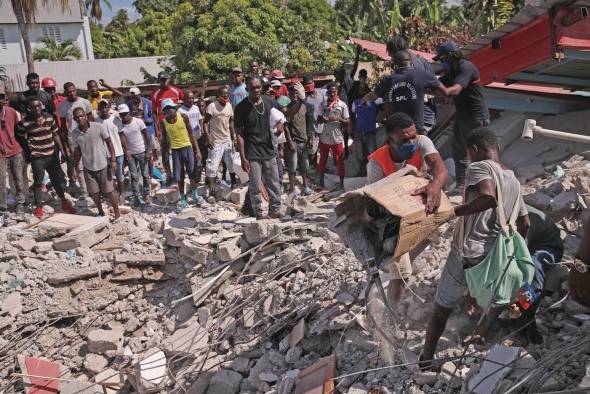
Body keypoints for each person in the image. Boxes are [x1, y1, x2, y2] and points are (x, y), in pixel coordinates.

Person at [420, 128, 527, 370]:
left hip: (468, 251)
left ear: (474, 150)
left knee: (440, 309)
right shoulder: (513, 179)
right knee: (485, 295)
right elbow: (524, 223)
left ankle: (425, 360)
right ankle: (480, 330)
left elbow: (488, 197)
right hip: (495, 254)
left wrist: (451, 213)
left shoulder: (478, 167)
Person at [367, 112, 448, 304]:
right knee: (402, 272)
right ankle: (391, 312)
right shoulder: (376, 164)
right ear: (390, 140)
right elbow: (376, 202)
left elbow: (440, 168)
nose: (412, 141)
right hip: (392, 217)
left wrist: (434, 186)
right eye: (405, 139)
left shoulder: (421, 142)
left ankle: (402, 261)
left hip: (416, 207)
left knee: (434, 232)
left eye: (413, 135)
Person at [434, 41, 490, 189]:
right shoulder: (453, 71)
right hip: (462, 115)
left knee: (478, 152)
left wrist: (441, 89)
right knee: (459, 150)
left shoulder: (466, 67)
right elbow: (437, 85)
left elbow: (455, 90)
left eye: (443, 59)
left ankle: (485, 185)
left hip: (475, 116)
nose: (442, 63)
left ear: (451, 56)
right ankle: (461, 185)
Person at [510, 204, 564, 344]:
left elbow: (518, 254)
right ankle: (516, 312)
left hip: (548, 246)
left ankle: (527, 320)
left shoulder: (521, 219)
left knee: (532, 269)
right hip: (529, 244)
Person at [15, 97, 76, 218]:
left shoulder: (49, 117)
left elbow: (55, 135)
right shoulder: (25, 122)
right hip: (37, 157)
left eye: (38, 106)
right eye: (33, 107)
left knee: (56, 180)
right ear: (29, 108)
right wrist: (28, 150)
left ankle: (64, 202)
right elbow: (20, 136)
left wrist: (63, 152)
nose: (37, 109)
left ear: (41, 106)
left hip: (52, 155)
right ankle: (38, 207)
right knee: (38, 182)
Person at [234, 77, 282, 219]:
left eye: (258, 87)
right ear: (247, 89)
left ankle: (275, 211)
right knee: (255, 185)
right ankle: (259, 214)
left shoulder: (268, 101)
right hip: (252, 152)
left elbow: (282, 115)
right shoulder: (241, 108)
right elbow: (239, 135)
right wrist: (243, 158)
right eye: (253, 88)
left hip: (268, 149)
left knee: (274, 183)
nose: (256, 90)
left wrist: (281, 125)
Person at [372, 50, 448, 133]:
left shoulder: (387, 80)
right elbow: (444, 92)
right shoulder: (422, 74)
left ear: (395, 64)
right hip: (416, 130)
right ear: (411, 61)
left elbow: (374, 96)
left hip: (396, 132)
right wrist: (424, 92)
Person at [71, 108, 121, 219]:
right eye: (77, 117)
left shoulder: (98, 127)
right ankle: (100, 212)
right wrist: (74, 167)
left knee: (110, 191)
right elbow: (77, 152)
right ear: (74, 119)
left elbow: (109, 143)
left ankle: (117, 213)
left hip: (103, 164)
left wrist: (113, 160)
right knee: (94, 193)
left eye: (81, 116)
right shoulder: (74, 134)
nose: (79, 118)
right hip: (88, 167)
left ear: (85, 116)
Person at [159, 99, 204, 210]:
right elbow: (164, 140)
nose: (169, 110)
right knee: (179, 177)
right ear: (164, 111)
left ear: (175, 108)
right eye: (166, 109)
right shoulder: (163, 122)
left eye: (171, 107)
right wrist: (164, 154)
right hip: (175, 151)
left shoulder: (183, 117)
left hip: (187, 148)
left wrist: (197, 150)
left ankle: (195, 194)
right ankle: (183, 198)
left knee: (192, 173)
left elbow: (191, 134)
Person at [386, 36, 438, 132]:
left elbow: (431, 90)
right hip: (416, 119)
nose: (393, 60)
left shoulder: (413, 66)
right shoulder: (419, 61)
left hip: (420, 119)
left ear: (398, 52)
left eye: (392, 56)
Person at [58, 82, 93, 196]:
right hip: (73, 138)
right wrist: (66, 145)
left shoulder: (85, 102)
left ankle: (95, 189)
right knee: (79, 166)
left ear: (76, 90)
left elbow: (91, 120)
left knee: (91, 162)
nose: (72, 93)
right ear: (65, 93)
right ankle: (84, 191)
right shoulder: (63, 106)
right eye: (69, 92)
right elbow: (63, 126)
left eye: (73, 90)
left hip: (87, 136)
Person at [204, 87, 236, 201]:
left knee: (231, 163)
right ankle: (211, 192)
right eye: (224, 95)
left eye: (227, 95)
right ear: (218, 96)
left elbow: (231, 120)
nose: (226, 97)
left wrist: (233, 134)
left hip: (227, 139)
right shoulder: (212, 107)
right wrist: (208, 139)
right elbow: (205, 123)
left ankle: (234, 185)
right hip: (216, 141)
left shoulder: (229, 105)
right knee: (213, 166)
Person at [118, 104, 150, 207]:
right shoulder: (120, 125)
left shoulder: (138, 122)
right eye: (122, 115)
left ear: (129, 112)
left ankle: (147, 194)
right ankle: (137, 197)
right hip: (131, 154)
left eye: (125, 114)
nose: (124, 116)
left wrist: (148, 150)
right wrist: (127, 152)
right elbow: (122, 139)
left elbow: (146, 134)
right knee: (134, 176)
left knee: (145, 175)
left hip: (142, 151)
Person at [317, 83, 349, 190]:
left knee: (339, 160)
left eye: (334, 91)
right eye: (330, 92)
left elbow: (347, 120)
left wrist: (339, 119)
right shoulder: (322, 104)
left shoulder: (342, 105)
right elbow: (318, 119)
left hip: (337, 137)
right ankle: (321, 182)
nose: (332, 93)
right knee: (323, 160)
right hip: (325, 137)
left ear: (337, 92)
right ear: (327, 93)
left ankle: (342, 183)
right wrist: (323, 118)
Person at [0, 86, 26, 214]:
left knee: (18, 179)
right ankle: (3, 208)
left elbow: (20, 130)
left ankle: (20, 204)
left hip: (15, 150)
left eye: (1, 97)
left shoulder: (11, 112)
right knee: (1, 181)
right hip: (1, 154)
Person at [285, 84, 312, 195]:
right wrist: (290, 142)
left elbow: (309, 122)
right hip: (294, 141)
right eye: (292, 93)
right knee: (293, 166)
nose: (295, 95)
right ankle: (292, 188)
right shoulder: (287, 108)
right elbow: (285, 126)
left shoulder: (305, 106)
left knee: (305, 166)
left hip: (304, 140)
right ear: (289, 94)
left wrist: (310, 137)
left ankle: (305, 186)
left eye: (296, 92)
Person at [95, 100, 125, 196]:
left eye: (105, 107)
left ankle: (121, 193)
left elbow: (121, 135)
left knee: (119, 175)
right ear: (98, 109)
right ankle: (112, 194)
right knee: (108, 177)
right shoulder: (96, 122)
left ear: (109, 108)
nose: (104, 109)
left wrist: (127, 150)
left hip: (118, 152)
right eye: (101, 107)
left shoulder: (116, 119)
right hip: (104, 154)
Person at [127, 87, 157, 176]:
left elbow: (154, 117)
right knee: (138, 153)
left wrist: (156, 130)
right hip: (135, 133)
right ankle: (141, 175)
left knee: (149, 154)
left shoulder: (148, 103)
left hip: (148, 130)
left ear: (139, 95)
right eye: (132, 97)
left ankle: (150, 175)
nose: (134, 99)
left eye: (135, 97)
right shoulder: (129, 104)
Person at [351, 81, 378, 174]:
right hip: (359, 133)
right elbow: (353, 116)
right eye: (360, 90)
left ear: (367, 90)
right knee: (361, 156)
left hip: (370, 132)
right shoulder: (355, 102)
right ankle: (363, 173)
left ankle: (374, 173)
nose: (361, 91)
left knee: (373, 155)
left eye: (363, 89)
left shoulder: (375, 101)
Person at [151, 72, 184, 138]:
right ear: (159, 80)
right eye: (161, 80)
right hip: (163, 124)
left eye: (165, 79)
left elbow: (183, 105)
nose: (163, 82)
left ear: (169, 79)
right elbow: (154, 112)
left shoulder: (177, 91)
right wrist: (156, 129)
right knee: (166, 146)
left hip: (176, 122)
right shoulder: (155, 93)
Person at [302, 74, 326, 168]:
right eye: (307, 84)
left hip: (324, 126)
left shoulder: (321, 92)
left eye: (310, 83)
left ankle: (322, 167)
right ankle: (313, 168)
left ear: (314, 82)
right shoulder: (304, 99)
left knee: (324, 149)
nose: (309, 85)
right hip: (312, 128)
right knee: (312, 150)